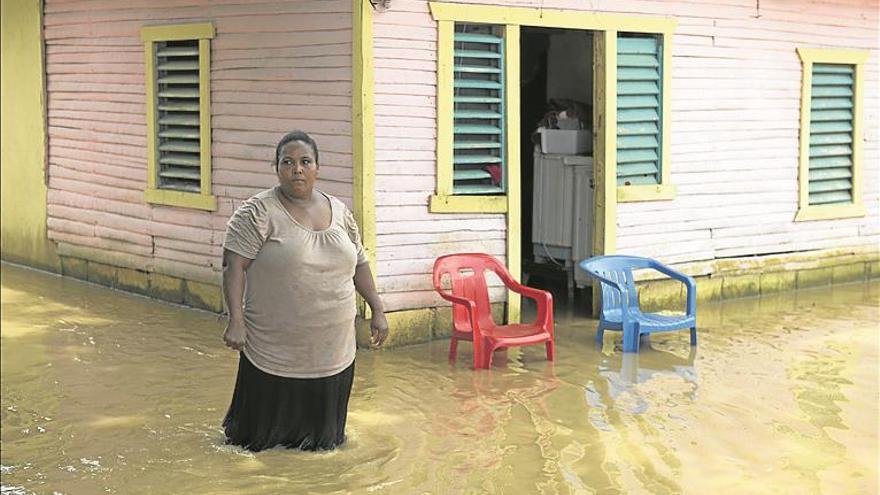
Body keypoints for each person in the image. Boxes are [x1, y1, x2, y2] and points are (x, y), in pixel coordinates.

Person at [220, 130, 389, 452]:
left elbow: (360, 263)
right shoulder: (257, 212)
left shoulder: (340, 211)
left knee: (324, 445)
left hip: (333, 348)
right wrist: (235, 321)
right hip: (274, 348)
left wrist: (378, 310)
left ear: (317, 167)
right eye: (288, 162)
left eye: (305, 161)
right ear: (277, 168)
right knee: (257, 444)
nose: (297, 169)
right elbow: (233, 266)